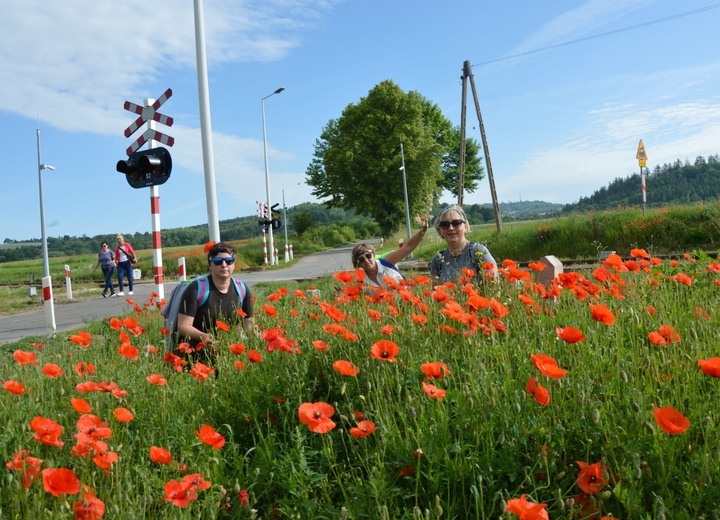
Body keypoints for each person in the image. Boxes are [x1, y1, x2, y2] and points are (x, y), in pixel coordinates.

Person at [176, 242, 255, 361]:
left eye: (229, 261)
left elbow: (249, 324)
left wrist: (262, 342)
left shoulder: (241, 289)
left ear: (234, 264)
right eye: (218, 261)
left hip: (228, 351)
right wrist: (204, 337)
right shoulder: (196, 288)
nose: (224, 265)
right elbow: (183, 326)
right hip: (197, 350)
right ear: (210, 264)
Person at [351, 216, 429, 288]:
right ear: (358, 264)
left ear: (373, 255)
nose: (366, 260)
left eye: (368, 256)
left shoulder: (387, 262)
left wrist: (423, 230)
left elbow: (408, 246)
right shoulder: (361, 280)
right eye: (361, 259)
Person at [430, 205, 499, 286]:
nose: (451, 228)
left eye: (456, 223)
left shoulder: (478, 252)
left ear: (465, 227)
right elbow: (435, 292)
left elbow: (494, 288)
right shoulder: (438, 259)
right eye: (445, 224)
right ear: (439, 230)